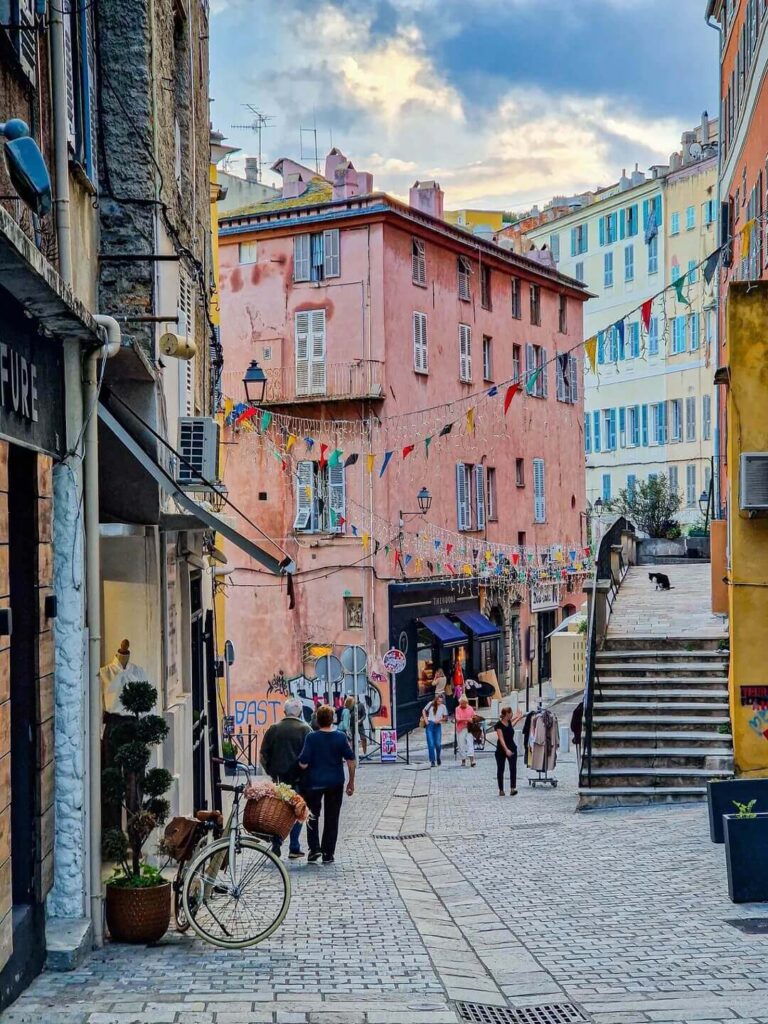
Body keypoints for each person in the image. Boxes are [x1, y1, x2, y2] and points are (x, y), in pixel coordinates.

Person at [299, 704, 356, 864]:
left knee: (312, 816)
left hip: (314, 782)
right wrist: (351, 782)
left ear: (317, 720)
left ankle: (314, 849)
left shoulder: (311, 738)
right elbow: (351, 761)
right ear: (332, 720)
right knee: (332, 817)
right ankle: (328, 853)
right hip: (335, 782)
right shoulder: (340, 737)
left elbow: (303, 763)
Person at [259, 698, 312, 859]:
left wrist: (270, 771)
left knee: (278, 811)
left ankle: (276, 842)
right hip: (299, 778)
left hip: (278, 778)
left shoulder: (274, 728)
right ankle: (294, 846)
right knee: (298, 810)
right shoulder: (306, 729)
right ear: (300, 712)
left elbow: (263, 754)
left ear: (284, 712)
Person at [494, 706, 523, 796]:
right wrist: (506, 749)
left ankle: (512, 789)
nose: (512, 714)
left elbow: (511, 726)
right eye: (511, 713)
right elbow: (501, 738)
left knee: (513, 768)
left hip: (512, 747)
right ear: (507, 714)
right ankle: (501, 790)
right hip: (501, 749)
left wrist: (518, 718)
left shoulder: (509, 722)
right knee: (500, 769)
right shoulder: (498, 725)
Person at [421, 693, 448, 767]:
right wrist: (426, 720)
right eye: (439, 701)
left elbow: (446, 717)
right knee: (431, 744)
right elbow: (423, 710)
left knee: (438, 744)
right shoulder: (430, 704)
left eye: (441, 701)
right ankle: (432, 761)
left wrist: (440, 720)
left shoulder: (443, 707)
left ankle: (438, 757)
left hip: (437, 725)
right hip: (430, 724)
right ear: (436, 700)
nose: (440, 702)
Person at [454, 695, 476, 767]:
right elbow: (457, 719)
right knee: (461, 745)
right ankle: (463, 760)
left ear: (466, 702)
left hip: (469, 728)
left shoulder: (470, 708)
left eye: (464, 703)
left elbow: (474, 718)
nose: (462, 704)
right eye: (461, 703)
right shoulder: (457, 709)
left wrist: (471, 720)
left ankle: (472, 760)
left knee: (470, 743)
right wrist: (467, 719)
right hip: (460, 728)